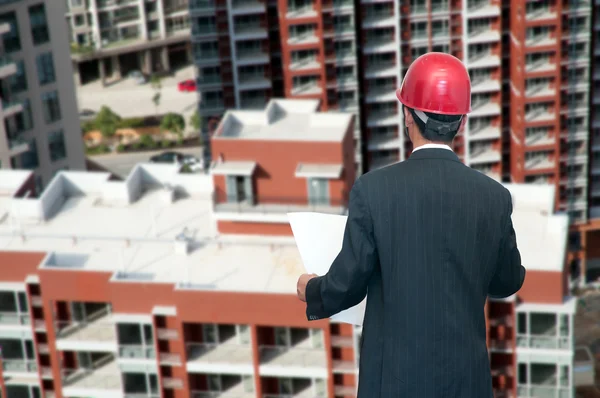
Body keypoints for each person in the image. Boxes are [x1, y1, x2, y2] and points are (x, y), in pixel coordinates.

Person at [296, 52, 526, 398]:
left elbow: (348, 285)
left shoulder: (374, 191)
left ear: (408, 115)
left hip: (394, 383)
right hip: (466, 384)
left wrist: (312, 289)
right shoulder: (493, 198)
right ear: (461, 123)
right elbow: (508, 280)